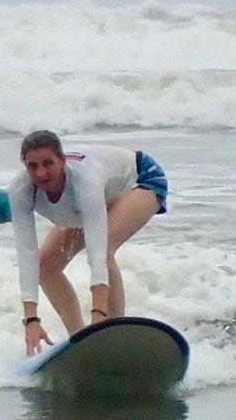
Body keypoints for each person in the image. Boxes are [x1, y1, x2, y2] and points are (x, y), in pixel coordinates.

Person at [10, 130, 168, 355]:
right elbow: (27, 256)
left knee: (104, 248)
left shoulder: (84, 183)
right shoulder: (21, 190)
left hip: (140, 179)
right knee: (44, 266)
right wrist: (31, 320)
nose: (41, 173)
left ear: (62, 160)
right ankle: (80, 341)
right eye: (32, 166)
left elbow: (97, 254)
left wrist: (98, 314)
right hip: (98, 194)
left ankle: (112, 337)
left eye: (48, 163)